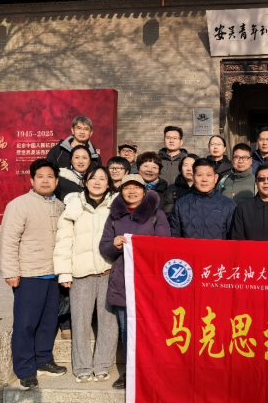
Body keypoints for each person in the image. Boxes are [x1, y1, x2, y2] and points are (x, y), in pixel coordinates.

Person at [0, 159, 68, 391]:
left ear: (56, 181)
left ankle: (44, 360)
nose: (45, 181)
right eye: (40, 176)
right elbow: (9, 240)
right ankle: (26, 369)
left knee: (49, 322)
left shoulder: (60, 206)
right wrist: (11, 271)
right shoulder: (19, 205)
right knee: (26, 324)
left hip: (53, 275)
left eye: (50, 176)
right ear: (32, 180)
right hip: (29, 274)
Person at [100, 175, 171, 390]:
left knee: (151, 327)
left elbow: (164, 246)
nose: (132, 192)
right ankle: (130, 372)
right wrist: (114, 245)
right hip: (124, 280)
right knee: (127, 328)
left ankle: (152, 371)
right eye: (127, 188)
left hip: (150, 281)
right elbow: (104, 247)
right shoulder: (114, 216)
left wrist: (144, 245)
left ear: (145, 191)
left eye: (136, 188)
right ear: (121, 191)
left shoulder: (157, 215)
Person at [53, 167, 118, 383]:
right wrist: (64, 272)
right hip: (81, 274)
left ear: (108, 183)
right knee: (80, 323)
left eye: (102, 178)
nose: (97, 182)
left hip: (108, 272)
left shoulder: (115, 207)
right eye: (93, 178)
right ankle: (82, 367)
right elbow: (64, 241)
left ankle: (103, 365)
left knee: (108, 323)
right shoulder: (73, 206)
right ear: (85, 182)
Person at [171, 158, 236, 239]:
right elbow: (174, 237)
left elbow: (233, 239)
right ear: (193, 177)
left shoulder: (228, 205)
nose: (204, 180)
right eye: (199, 175)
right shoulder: (181, 204)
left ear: (216, 178)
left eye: (209, 175)